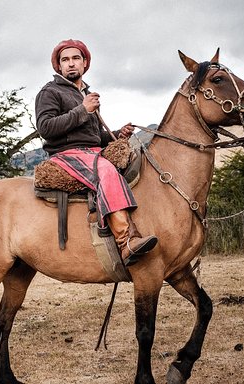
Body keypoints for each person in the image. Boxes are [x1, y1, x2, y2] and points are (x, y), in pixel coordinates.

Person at [35, 39, 157, 266]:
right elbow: (46, 128)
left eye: (75, 59)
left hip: (91, 151)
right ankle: (126, 241)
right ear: (58, 66)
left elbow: (93, 136)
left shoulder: (86, 94)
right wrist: (83, 110)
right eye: (65, 60)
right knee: (107, 171)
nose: (71, 64)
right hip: (66, 154)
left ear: (84, 63)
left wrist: (119, 133)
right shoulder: (49, 92)